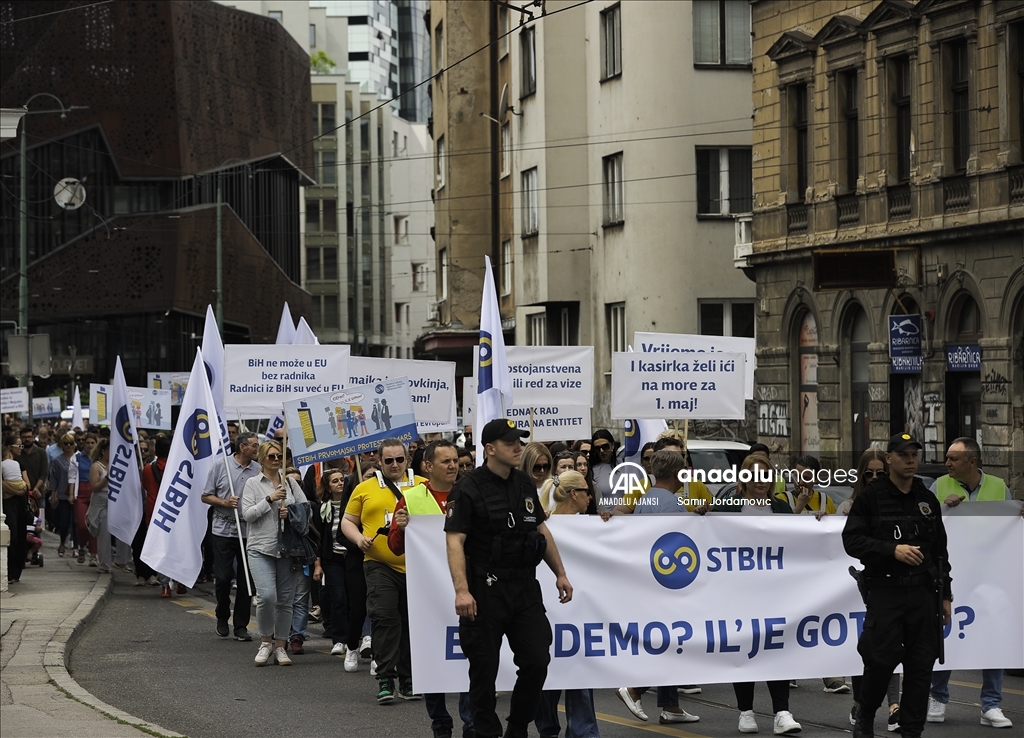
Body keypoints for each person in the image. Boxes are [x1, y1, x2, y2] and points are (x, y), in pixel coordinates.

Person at [444, 418, 573, 738]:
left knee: (538, 658)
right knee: (484, 669)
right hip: (485, 588)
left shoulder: (524, 483)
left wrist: (560, 573)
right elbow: (454, 540)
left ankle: (517, 725)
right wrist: (462, 591)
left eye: (519, 441)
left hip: (524, 587)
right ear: (490, 449)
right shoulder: (468, 487)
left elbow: (540, 529)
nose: (518, 447)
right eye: (509, 443)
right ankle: (486, 730)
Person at [843, 433, 952, 738]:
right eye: (903, 455)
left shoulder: (926, 498)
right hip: (886, 591)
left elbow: (940, 550)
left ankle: (912, 731)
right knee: (880, 661)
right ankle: (866, 712)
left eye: (914, 454)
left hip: (923, 594)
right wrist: (892, 550)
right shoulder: (872, 497)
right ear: (889, 458)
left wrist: (946, 595)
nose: (910, 460)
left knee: (920, 667)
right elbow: (851, 540)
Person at [388, 440, 474, 738]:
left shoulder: (472, 494)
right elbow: (395, 548)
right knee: (433, 658)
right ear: (428, 466)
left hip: (466, 590)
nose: (454, 466)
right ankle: (441, 724)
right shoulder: (410, 498)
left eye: (456, 461)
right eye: (446, 462)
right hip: (428, 596)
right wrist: (399, 527)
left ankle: (470, 721)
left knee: (468, 658)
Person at [927, 437, 1015, 730]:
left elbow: (1010, 527)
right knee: (946, 635)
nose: (947, 463)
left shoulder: (999, 486)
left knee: (994, 635)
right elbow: (924, 523)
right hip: (951, 573)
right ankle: (937, 697)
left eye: (953, 459)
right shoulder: (938, 487)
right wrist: (942, 507)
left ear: (972, 462)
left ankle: (991, 704)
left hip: (990, 575)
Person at [342, 438, 425, 704]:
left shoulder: (423, 486)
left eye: (399, 459)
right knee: (384, 617)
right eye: (388, 460)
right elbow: (348, 520)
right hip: (379, 564)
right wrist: (358, 539)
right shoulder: (364, 488)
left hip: (417, 565)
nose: (394, 465)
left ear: (407, 459)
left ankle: (410, 678)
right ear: (379, 461)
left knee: (410, 622)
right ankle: (386, 679)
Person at [535, 470, 608, 737]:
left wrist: (608, 523)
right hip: (549, 611)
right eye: (587, 491)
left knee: (577, 671)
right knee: (549, 673)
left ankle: (580, 731)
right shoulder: (543, 524)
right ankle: (551, 730)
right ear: (574, 494)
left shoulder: (591, 525)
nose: (591, 497)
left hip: (579, 615)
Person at [838, 448, 902, 731]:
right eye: (869, 473)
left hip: (889, 587)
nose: (875, 478)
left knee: (891, 644)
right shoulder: (847, 508)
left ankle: (894, 706)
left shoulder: (899, 503)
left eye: (881, 473)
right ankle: (861, 702)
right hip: (855, 588)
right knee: (868, 648)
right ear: (860, 476)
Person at [241, 440, 304, 667]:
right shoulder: (252, 483)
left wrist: (292, 512)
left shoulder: (290, 483)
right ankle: (265, 641)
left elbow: (306, 509)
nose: (277, 460)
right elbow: (247, 514)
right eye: (272, 456)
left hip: (288, 549)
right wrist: (270, 499)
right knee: (267, 597)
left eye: (280, 456)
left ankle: (280, 645)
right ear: (262, 459)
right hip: (261, 548)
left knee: (286, 601)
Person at [201, 430, 260, 642]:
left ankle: (241, 625)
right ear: (242, 446)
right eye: (254, 445)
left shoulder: (258, 470)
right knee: (224, 577)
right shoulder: (221, 465)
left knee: (246, 580)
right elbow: (205, 496)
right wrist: (225, 503)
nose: (257, 449)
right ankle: (222, 614)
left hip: (249, 530)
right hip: (223, 529)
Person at [312, 467, 352, 663]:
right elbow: (319, 540)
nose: (340, 483)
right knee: (338, 598)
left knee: (354, 599)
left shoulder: (354, 504)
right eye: (335, 481)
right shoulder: (323, 509)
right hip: (333, 559)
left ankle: (357, 637)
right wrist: (318, 565)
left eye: (342, 479)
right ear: (328, 487)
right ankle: (339, 639)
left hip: (352, 556)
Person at [3, 435, 30, 583]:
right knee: (11, 535)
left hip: (19, 502)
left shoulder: (19, 464)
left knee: (20, 535)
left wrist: (17, 491)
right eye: (18, 446)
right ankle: (8, 570)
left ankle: (16, 573)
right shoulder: (3, 464)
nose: (21, 448)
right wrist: (15, 491)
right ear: (9, 447)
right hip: (8, 503)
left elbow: (27, 484)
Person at [47, 432, 77, 558]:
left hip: (76, 494)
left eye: (71, 443)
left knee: (75, 522)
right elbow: (53, 478)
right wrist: (53, 494)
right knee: (64, 522)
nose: (69, 446)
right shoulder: (57, 461)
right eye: (66, 443)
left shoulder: (78, 458)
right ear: (62, 445)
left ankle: (76, 546)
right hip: (63, 495)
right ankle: (62, 542)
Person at [85, 438, 112, 573]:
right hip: (101, 501)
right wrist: (107, 478)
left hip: (113, 501)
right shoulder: (96, 467)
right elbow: (94, 487)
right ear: (103, 451)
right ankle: (104, 564)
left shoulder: (115, 464)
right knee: (104, 534)